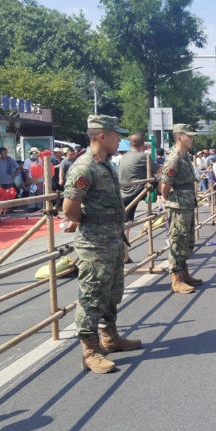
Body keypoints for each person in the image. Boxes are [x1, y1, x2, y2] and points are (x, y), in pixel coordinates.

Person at [61, 114, 140, 374]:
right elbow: (69, 209)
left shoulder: (105, 164)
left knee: (112, 292)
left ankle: (110, 337)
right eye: (117, 135)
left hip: (112, 239)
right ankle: (90, 351)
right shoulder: (84, 166)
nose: (120, 139)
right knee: (93, 295)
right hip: (95, 243)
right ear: (102, 136)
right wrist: (90, 222)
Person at [161, 124, 202, 294]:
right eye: (188, 136)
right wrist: (166, 198)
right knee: (178, 240)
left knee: (187, 240)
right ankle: (176, 279)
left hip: (186, 203)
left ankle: (184, 274)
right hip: (178, 205)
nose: (191, 139)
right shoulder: (174, 158)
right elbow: (165, 184)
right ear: (179, 137)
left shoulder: (184, 156)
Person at [119, 133, 161, 263]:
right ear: (143, 145)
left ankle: (124, 255)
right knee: (127, 224)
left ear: (130, 144)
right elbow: (159, 171)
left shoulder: (123, 157)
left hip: (123, 192)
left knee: (126, 222)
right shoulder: (143, 156)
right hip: (136, 190)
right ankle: (164, 198)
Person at [23, 148, 44, 212]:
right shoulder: (27, 161)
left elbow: (42, 169)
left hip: (39, 180)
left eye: (35, 153)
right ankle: (31, 207)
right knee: (32, 193)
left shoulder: (40, 160)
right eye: (32, 153)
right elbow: (26, 171)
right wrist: (28, 180)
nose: (34, 154)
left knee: (39, 193)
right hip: (31, 180)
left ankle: (38, 207)